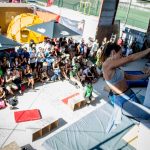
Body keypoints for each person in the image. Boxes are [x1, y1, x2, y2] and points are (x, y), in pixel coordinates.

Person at [101, 43, 150, 133]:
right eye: (120, 54)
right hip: (123, 100)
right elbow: (129, 58)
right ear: (113, 53)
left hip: (130, 94)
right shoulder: (106, 65)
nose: (122, 56)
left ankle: (141, 128)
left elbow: (128, 76)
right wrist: (148, 50)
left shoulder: (117, 68)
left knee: (143, 118)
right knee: (147, 115)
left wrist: (146, 75)